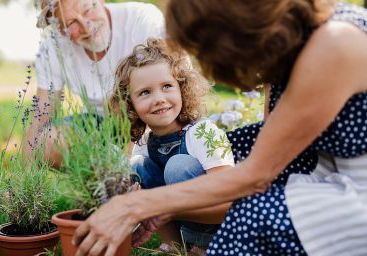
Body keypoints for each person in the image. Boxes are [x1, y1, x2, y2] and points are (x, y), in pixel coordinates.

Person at [72, 0, 367, 255]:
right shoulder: (292, 43)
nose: (206, 60)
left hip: (356, 193)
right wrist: (160, 203)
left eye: (203, 46)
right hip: (324, 165)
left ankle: (221, 238)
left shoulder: (335, 44)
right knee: (225, 146)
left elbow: (255, 176)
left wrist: (136, 205)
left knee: (251, 217)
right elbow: (269, 136)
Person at [109, 38, 234, 253]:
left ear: (182, 89)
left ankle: (203, 246)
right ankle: (175, 245)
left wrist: (159, 205)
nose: (159, 99)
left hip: (223, 230)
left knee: (178, 165)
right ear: (130, 104)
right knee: (137, 166)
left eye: (167, 86)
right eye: (145, 92)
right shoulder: (145, 141)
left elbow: (229, 204)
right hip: (178, 215)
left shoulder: (204, 133)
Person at [25, 0, 165, 165]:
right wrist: (20, 181)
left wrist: (129, 157)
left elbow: (171, 86)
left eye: (87, 10)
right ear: (60, 30)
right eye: (72, 22)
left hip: (153, 118)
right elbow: (41, 113)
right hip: (99, 122)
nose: (86, 27)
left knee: (140, 163)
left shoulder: (141, 19)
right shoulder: (52, 48)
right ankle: (99, 179)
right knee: (46, 142)